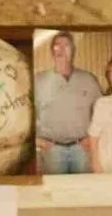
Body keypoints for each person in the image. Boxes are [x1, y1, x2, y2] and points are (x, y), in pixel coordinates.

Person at [34, 32, 97, 174]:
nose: (61, 49)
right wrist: (36, 140)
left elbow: (102, 111)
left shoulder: (88, 79)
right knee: (55, 192)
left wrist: (92, 138)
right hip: (51, 150)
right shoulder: (38, 81)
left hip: (82, 148)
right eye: (57, 45)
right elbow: (25, 114)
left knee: (83, 191)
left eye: (66, 45)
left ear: (73, 51)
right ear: (52, 52)